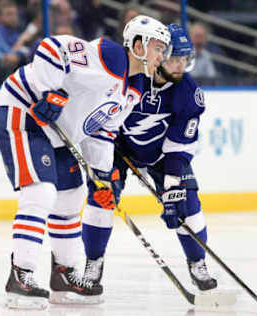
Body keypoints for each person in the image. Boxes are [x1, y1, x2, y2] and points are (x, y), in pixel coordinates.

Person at [0, 15, 171, 309]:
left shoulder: (135, 88)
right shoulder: (111, 58)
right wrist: (51, 91)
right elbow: (51, 48)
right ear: (138, 45)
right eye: (157, 47)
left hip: (61, 133)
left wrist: (101, 177)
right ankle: (20, 274)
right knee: (40, 193)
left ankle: (63, 274)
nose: (161, 56)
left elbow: (102, 129)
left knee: (70, 199)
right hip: (24, 113)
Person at [81, 24, 217, 296]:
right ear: (159, 55)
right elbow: (102, 115)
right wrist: (106, 160)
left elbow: (179, 145)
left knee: (186, 203)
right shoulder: (131, 76)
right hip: (116, 149)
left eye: (185, 59)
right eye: (175, 57)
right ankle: (93, 262)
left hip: (163, 155)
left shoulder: (188, 93)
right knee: (101, 198)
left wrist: (173, 184)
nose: (181, 65)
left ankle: (197, 262)